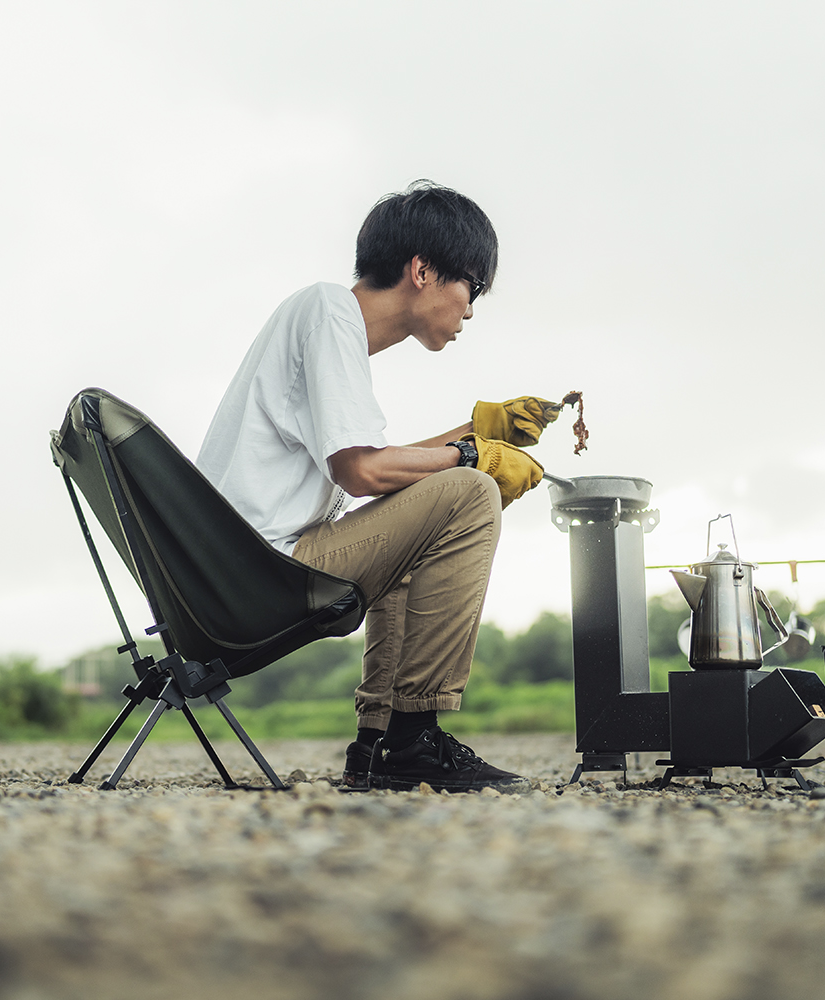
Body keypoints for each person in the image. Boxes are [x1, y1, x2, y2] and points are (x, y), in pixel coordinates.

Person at [196, 181, 563, 792]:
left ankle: (379, 743)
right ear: (422, 270)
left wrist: (480, 429)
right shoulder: (328, 311)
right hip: (255, 575)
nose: (471, 309)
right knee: (469, 494)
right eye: (470, 288)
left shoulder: (323, 325)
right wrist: (472, 454)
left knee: (428, 507)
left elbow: (374, 469)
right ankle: (415, 736)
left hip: (241, 567)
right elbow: (361, 472)